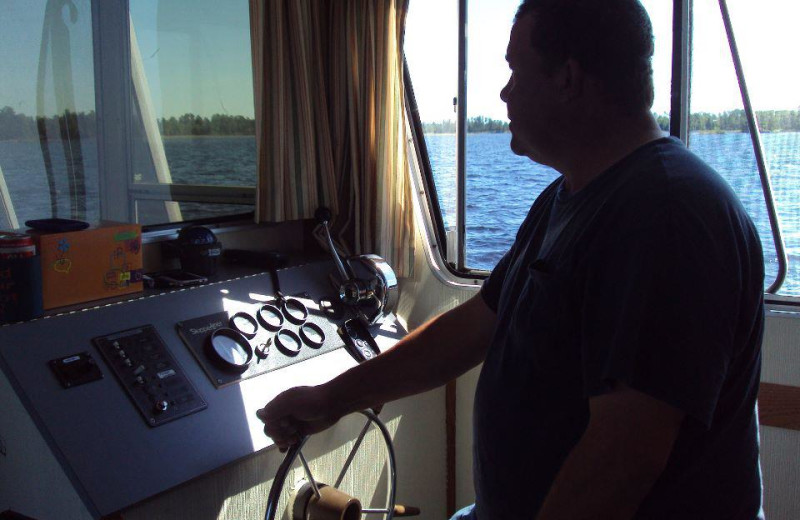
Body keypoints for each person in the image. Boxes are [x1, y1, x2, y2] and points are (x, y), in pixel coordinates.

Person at [258, 0, 765, 518]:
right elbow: (479, 323)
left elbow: (622, 461)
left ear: (567, 78)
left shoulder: (667, 215)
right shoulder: (568, 198)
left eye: (514, 72)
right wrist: (332, 398)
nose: (503, 92)